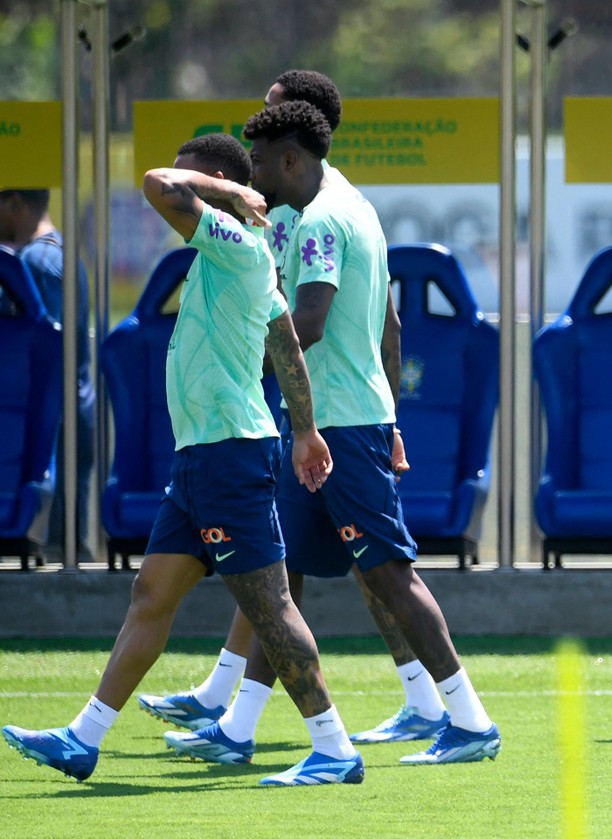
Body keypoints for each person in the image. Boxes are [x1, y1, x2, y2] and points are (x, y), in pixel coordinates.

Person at [3, 133, 363, 786]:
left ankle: (334, 747)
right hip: (201, 457)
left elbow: (153, 184)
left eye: (194, 178)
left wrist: (223, 188)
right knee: (151, 594)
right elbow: (287, 347)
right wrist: (307, 431)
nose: (180, 190)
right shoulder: (236, 257)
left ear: (219, 186)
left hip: (230, 454)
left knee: (271, 608)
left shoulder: (234, 244)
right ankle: (83, 738)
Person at [160, 100, 500, 767]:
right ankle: (240, 726)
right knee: (282, 576)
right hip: (336, 419)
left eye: (258, 162)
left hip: (340, 425)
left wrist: (238, 366)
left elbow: (308, 320)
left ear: (290, 159)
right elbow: (389, 328)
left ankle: (469, 719)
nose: (253, 176)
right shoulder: (353, 206)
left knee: (392, 574)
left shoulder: (319, 222)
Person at [0, 188, 94, 562]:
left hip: (51, 422)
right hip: (66, 413)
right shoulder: (60, 254)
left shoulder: (37, 262)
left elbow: (49, 358)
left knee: (58, 553)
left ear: (15, 204)